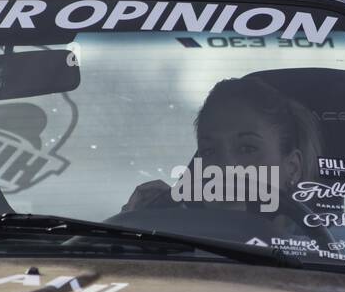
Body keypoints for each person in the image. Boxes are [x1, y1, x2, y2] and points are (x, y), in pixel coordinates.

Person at [123, 76, 319, 217]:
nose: (225, 166)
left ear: (292, 168)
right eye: (209, 151)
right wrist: (138, 229)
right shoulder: (174, 248)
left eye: (247, 149)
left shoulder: (337, 256)